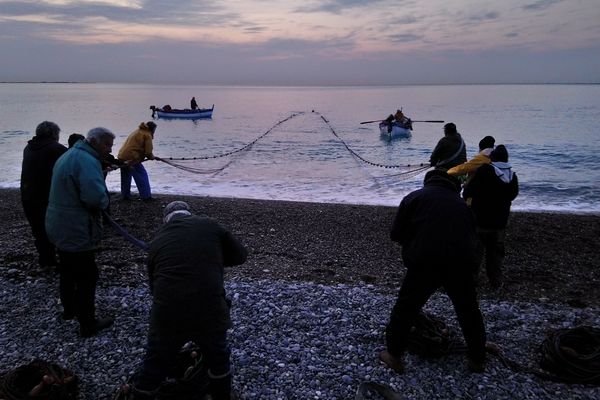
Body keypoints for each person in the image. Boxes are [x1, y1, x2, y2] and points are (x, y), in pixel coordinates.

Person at [131, 201, 247, 400]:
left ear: (166, 220)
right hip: (209, 309)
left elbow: (154, 287)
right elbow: (240, 256)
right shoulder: (210, 225)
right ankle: (222, 395)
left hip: (168, 313)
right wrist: (212, 259)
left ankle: (142, 393)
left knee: (155, 362)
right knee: (218, 356)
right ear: (189, 214)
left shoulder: (157, 241)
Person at [380, 170, 487, 374]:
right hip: (459, 263)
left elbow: (396, 234)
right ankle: (477, 358)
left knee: (406, 308)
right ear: (454, 185)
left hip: (424, 262)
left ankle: (394, 355)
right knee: (468, 310)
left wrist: (414, 243)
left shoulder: (414, 198)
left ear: (428, 181)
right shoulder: (463, 206)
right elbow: (472, 238)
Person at [45, 127, 116, 337]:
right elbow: (94, 198)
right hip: (75, 226)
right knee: (87, 274)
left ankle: (69, 310)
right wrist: (104, 201)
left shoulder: (70, 154)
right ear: (94, 142)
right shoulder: (86, 161)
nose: (109, 150)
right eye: (107, 145)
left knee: (67, 269)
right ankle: (88, 322)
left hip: (58, 222)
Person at [463, 145, 519, 289]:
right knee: (495, 255)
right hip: (500, 221)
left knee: (476, 253)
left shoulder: (484, 170)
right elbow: (513, 195)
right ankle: (496, 282)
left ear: (492, 158)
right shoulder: (512, 176)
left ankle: (471, 280)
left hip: (480, 219)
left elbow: (468, 191)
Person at [20, 121, 67, 268]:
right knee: (57, 230)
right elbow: (70, 167)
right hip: (48, 197)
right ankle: (60, 261)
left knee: (39, 230)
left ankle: (46, 261)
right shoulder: (56, 148)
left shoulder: (28, 147)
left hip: (28, 195)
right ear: (54, 134)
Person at [117, 121, 158, 201]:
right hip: (132, 158)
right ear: (152, 129)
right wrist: (151, 157)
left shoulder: (138, 131)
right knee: (142, 175)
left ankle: (125, 196)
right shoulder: (147, 134)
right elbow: (148, 151)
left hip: (122, 156)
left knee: (126, 176)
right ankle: (146, 197)